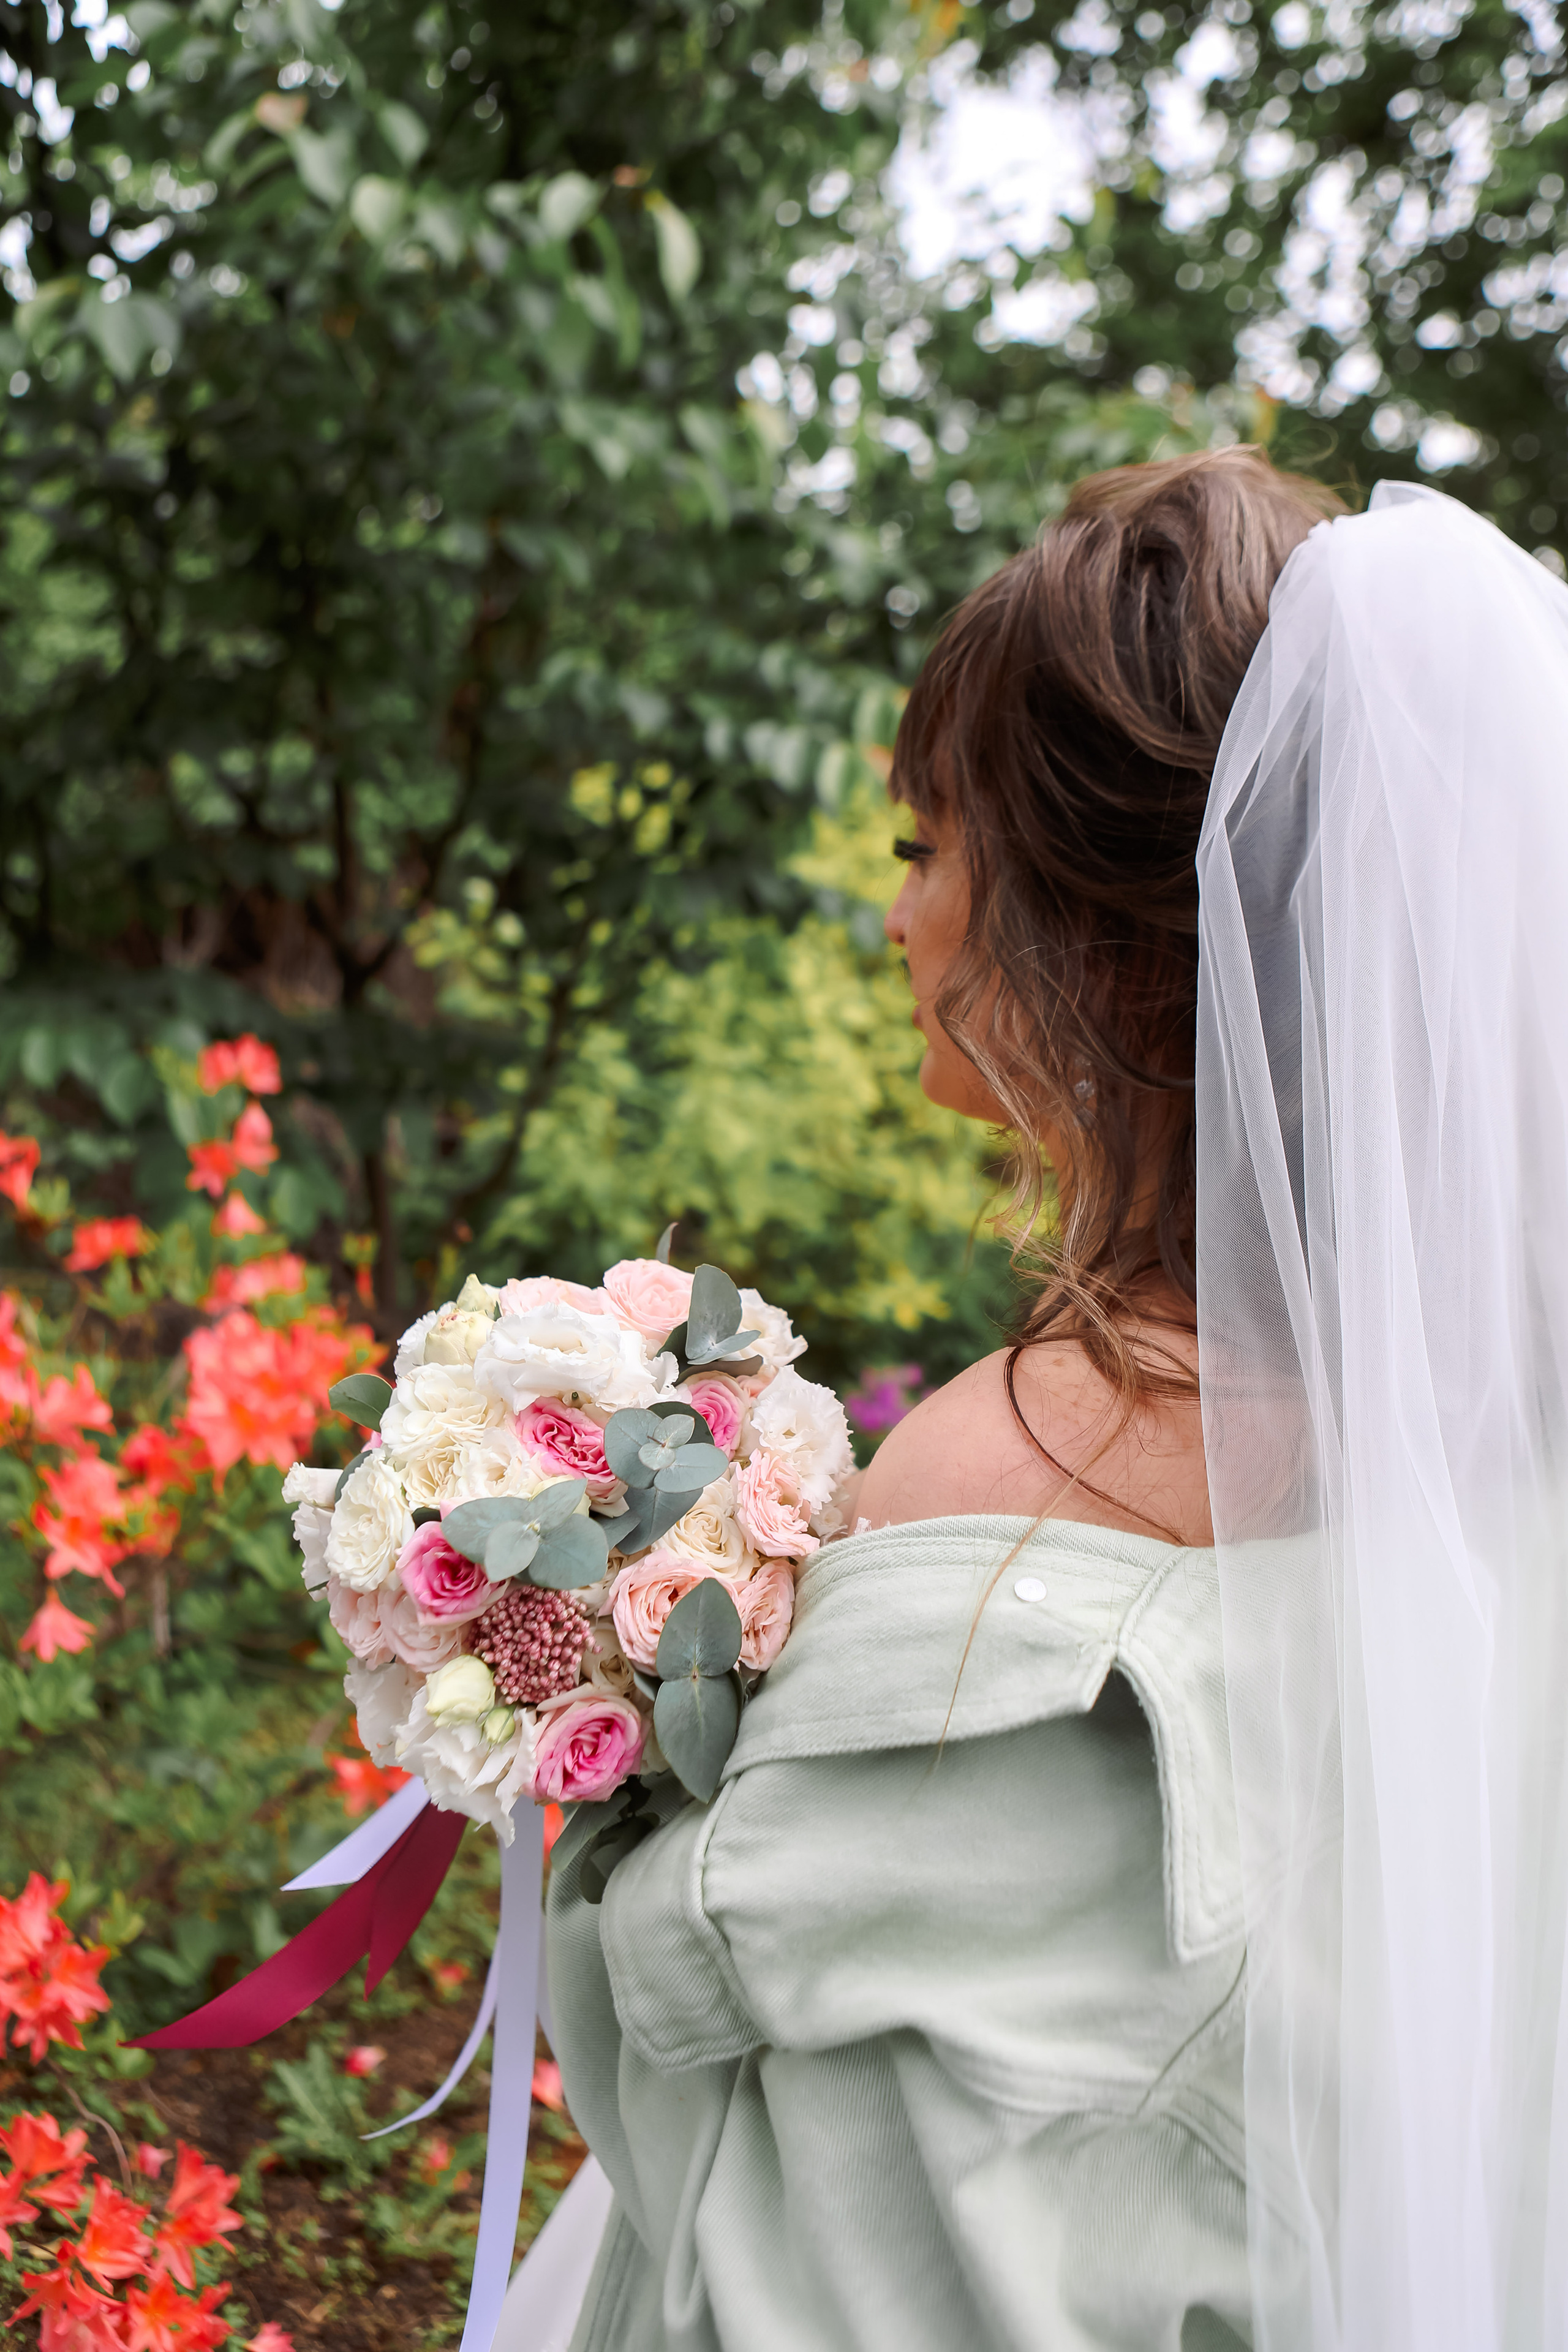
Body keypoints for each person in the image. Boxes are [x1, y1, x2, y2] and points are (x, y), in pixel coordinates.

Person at [542, 450, 1568, 2351]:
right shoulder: (1505, 1450)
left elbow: (806, 2219)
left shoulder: (1025, 1467)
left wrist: (594, 1746)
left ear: (1100, 928)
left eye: (930, 849)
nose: (901, 919)